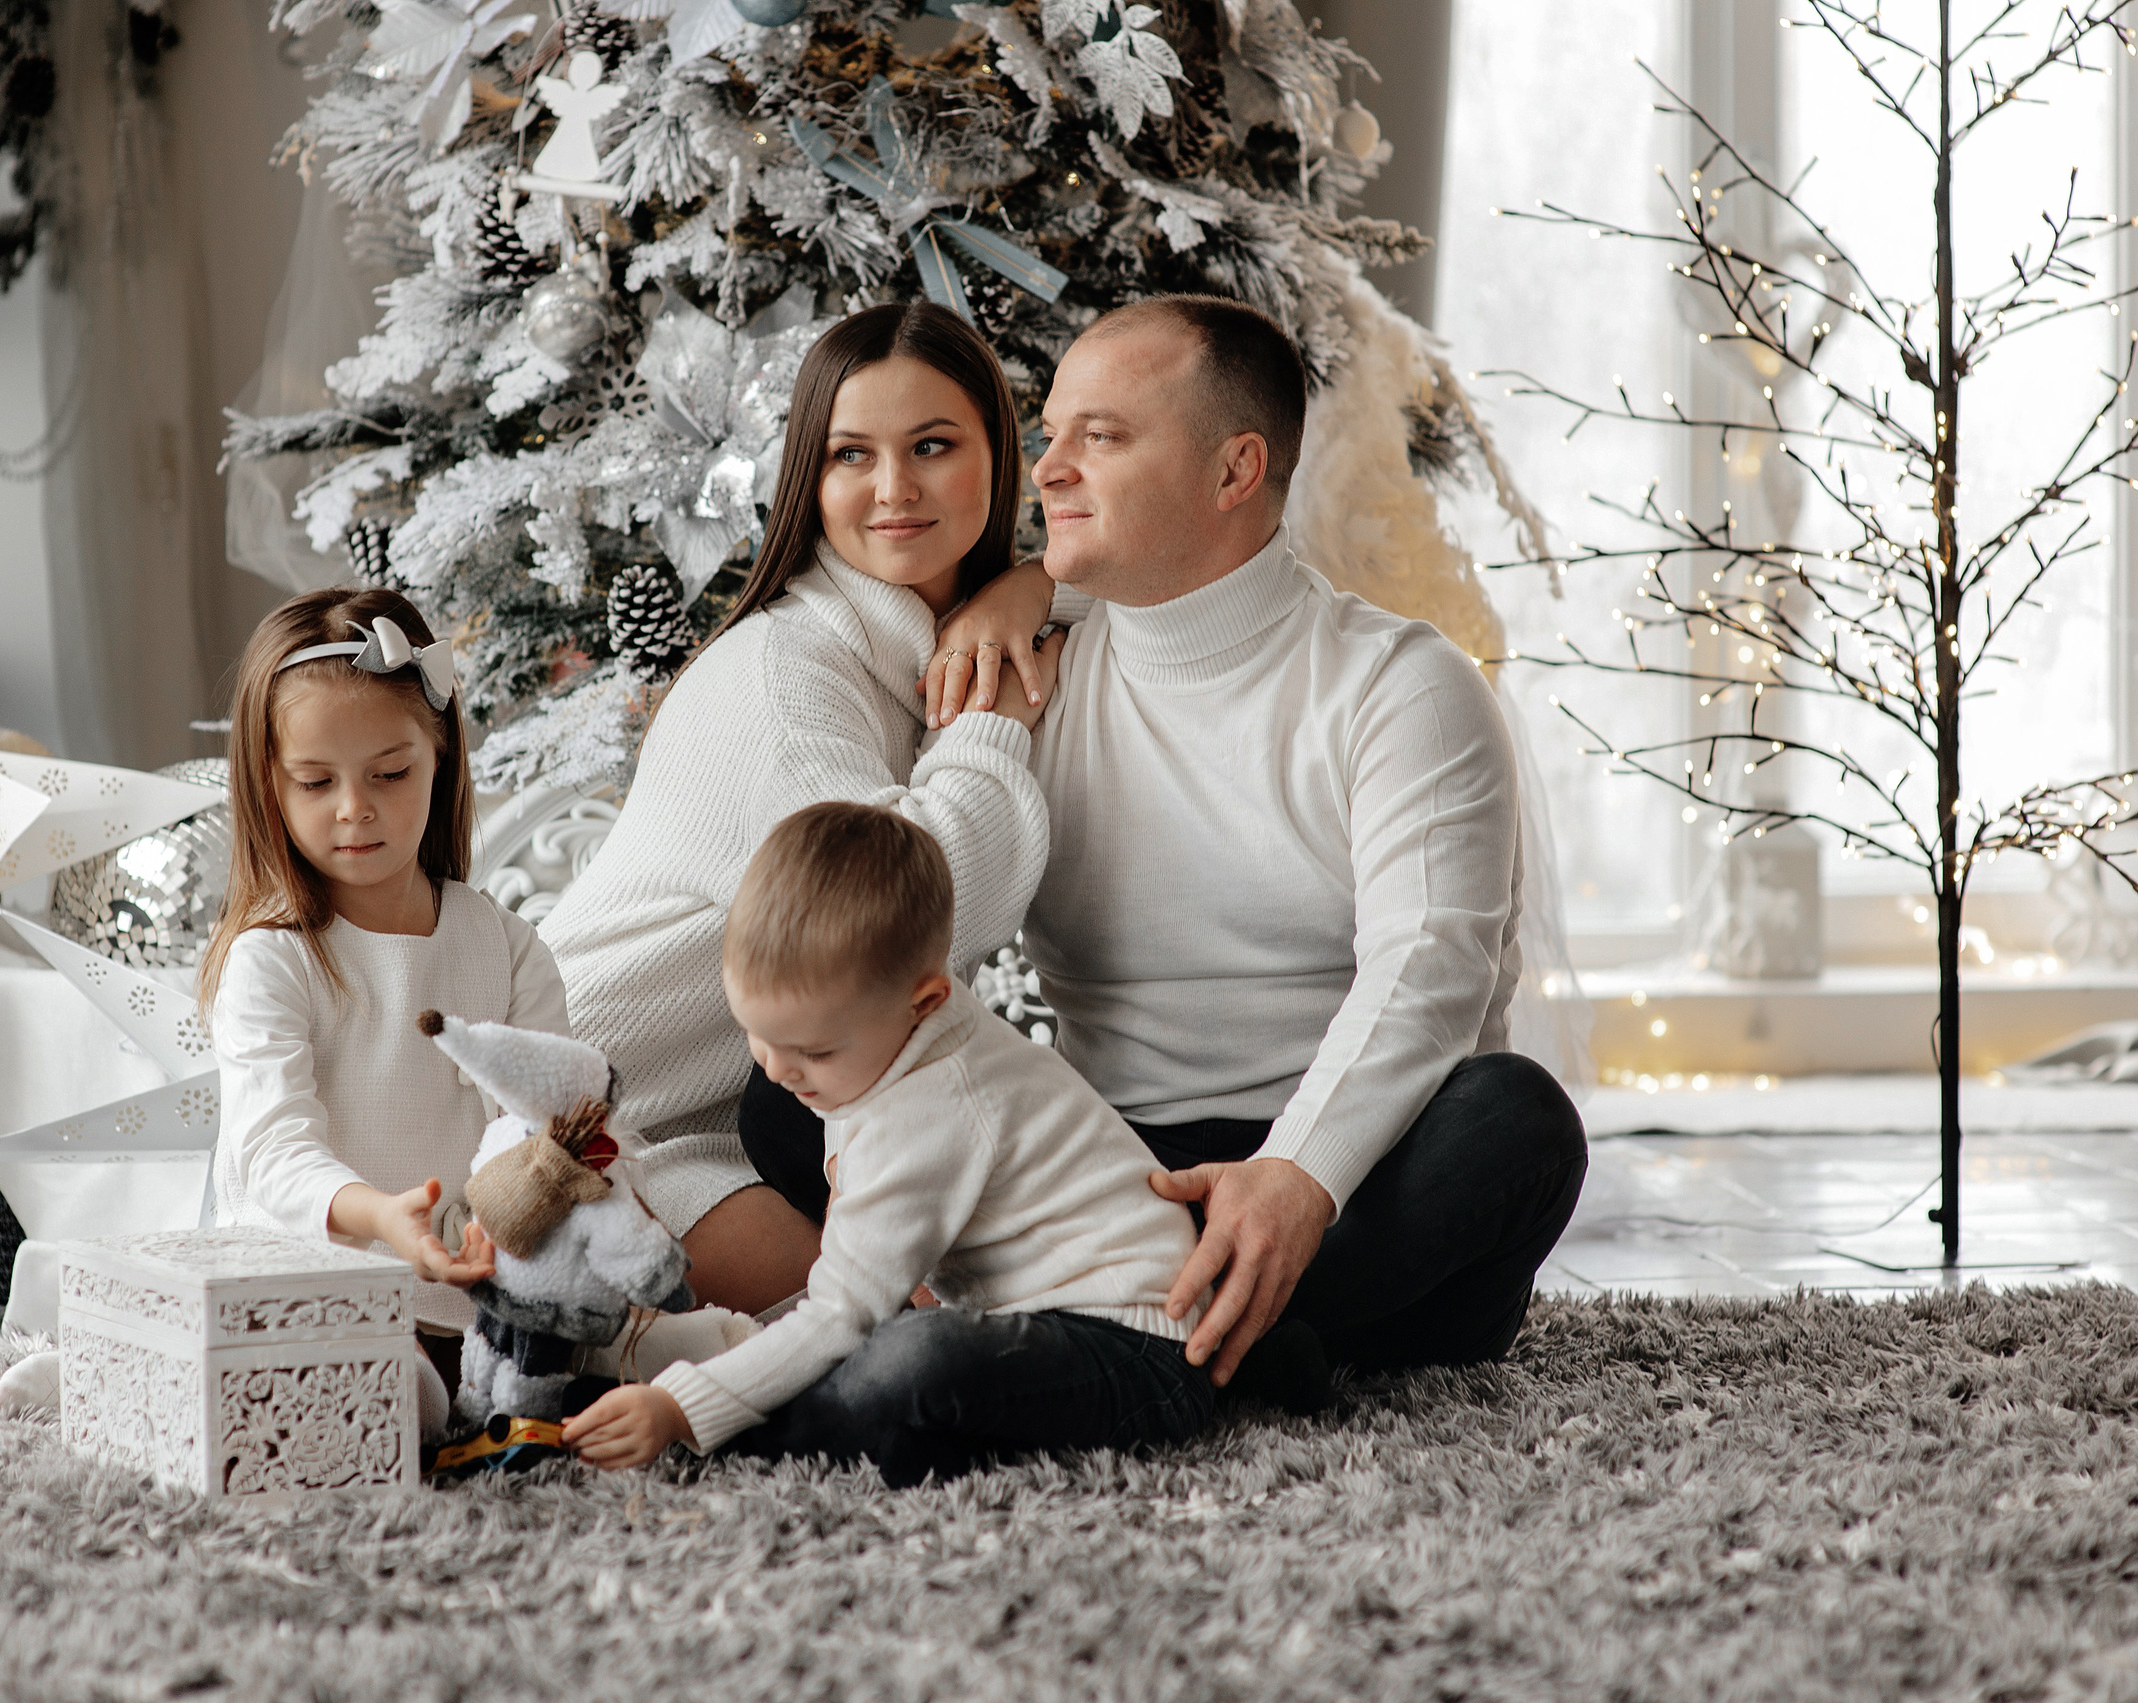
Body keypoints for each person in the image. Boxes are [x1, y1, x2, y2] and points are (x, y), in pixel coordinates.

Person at [918, 294, 1587, 1389]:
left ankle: (1132, 1347)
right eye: (1050, 434)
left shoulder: (1398, 684)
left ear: (1234, 471)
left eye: (1101, 436)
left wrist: (1296, 1174)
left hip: (1352, 1184)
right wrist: (1017, 593)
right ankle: (1231, 1348)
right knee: (799, 1087)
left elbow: (1430, 972)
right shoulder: (1031, 670)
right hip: (1111, 1173)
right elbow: (927, 930)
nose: (1045, 469)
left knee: (1514, 1119)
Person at [538, 302, 1057, 1314]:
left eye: (934, 446)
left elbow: (1130, 583)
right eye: (849, 454)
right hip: (591, 1128)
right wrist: (988, 717)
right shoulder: (783, 677)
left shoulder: (931, 632)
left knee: (977, 1292)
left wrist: (1026, 587)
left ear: (999, 457)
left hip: (745, 1117)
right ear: (807, 484)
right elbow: (917, 908)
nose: (893, 488)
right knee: (893, 1334)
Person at [564, 802, 1287, 1486]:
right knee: (775, 1123)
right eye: (757, 1033)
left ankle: (771, 1426)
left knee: (911, 1360)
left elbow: (842, 1313)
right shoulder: (886, 1033)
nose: (779, 1066)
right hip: (1036, 1309)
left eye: (811, 1049)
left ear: (926, 1002)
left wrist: (682, 1407)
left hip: (1138, 1353)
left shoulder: (930, 1105)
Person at [200, 586, 564, 1376]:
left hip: (466, 1294)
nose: (355, 809)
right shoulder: (273, 958)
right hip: (302, 1288)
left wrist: (522, 1213)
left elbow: (546, 1118)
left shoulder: (503, 945)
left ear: (439, 755)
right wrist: (383, 1217)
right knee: (367, 1383)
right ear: (269, 785)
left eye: (390, 774)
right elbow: (274, 1150)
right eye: (315, 782)